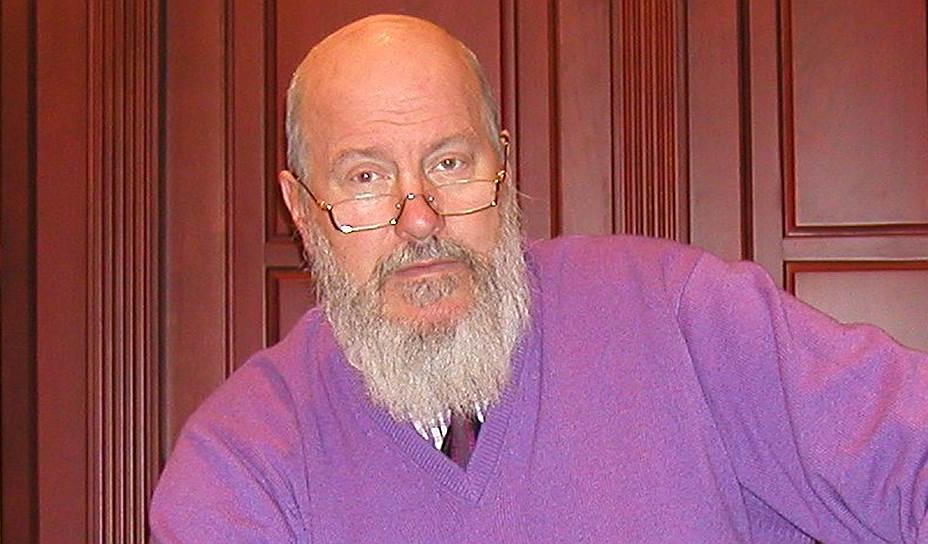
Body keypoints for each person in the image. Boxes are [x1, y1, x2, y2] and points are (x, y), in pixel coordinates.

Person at [149, 14, 928, 543]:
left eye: (449, 163)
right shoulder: (241, 464)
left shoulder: (683, 317)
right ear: (300, 207)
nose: (419, 219)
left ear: (503, 163)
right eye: (366, 177)